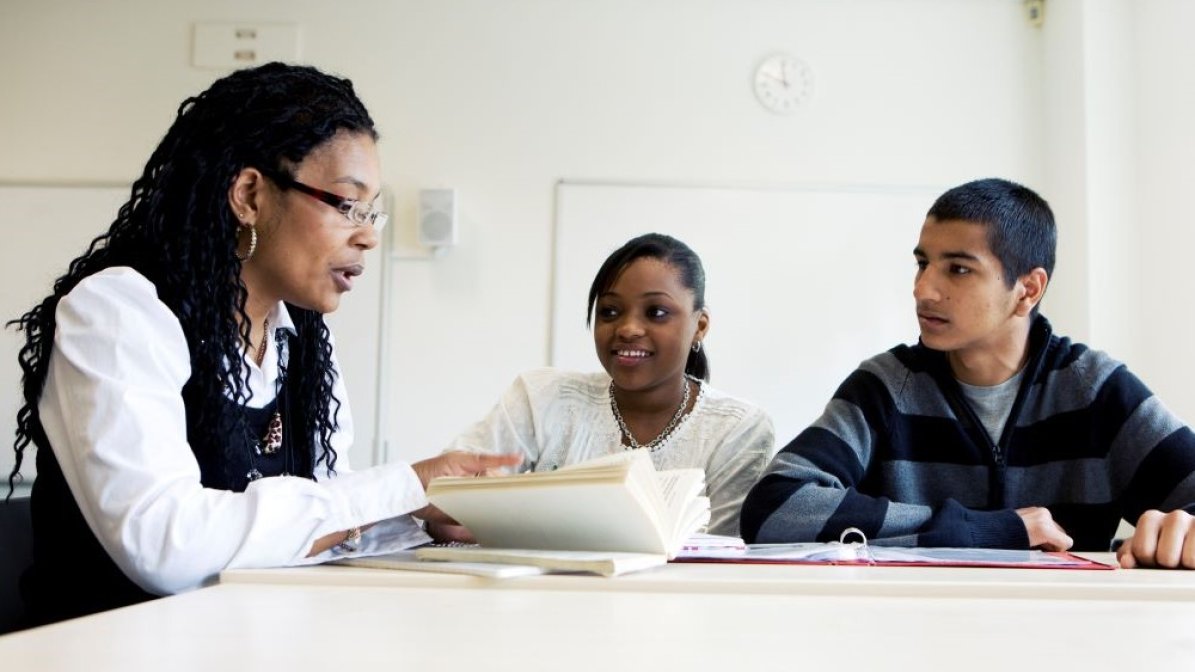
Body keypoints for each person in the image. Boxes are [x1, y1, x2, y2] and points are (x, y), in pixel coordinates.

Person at [5, 62, 518, 626]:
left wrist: (422, 514)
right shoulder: (119, 310)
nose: (369, 234)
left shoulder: (299, 342)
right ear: (250, 195)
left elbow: (319, 525)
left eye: (373, 212)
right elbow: (164, 546)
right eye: (348, 205)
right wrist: (401, 486)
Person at [740, 178, 1195, 570]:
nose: (923, 289)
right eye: (923, 264)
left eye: (958, 269)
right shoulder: (885, 387)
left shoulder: (1095, 389)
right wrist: (982, 530)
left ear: (1027, 289)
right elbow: (775, 505)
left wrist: (1178, 531)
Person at [439, 233, 774, 538]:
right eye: (610, 311)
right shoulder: (542, 396)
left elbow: (721, 556)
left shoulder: (737, 428)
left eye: (656, 312)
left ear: (699, 326)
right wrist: (458, 511)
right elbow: (444, 500)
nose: (627, 328)